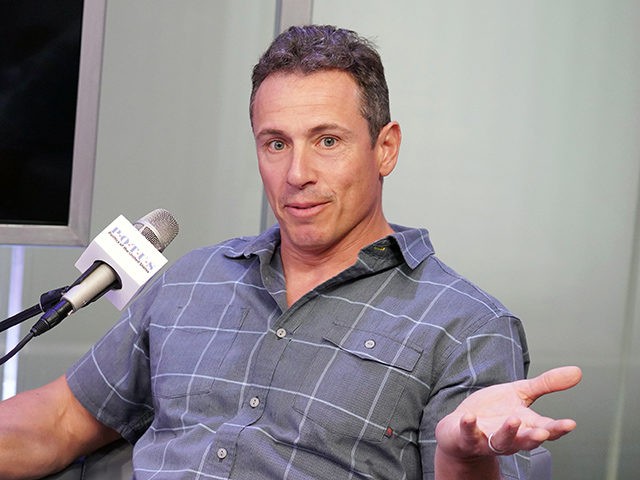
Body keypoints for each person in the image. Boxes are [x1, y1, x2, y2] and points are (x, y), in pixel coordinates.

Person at [0, 25, 581, 480]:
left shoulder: (466, 328)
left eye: (327, 141)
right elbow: (56, 421)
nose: (296, 174)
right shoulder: (194, 281)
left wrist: (463, 457)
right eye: (276, 143)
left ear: (386, 148)